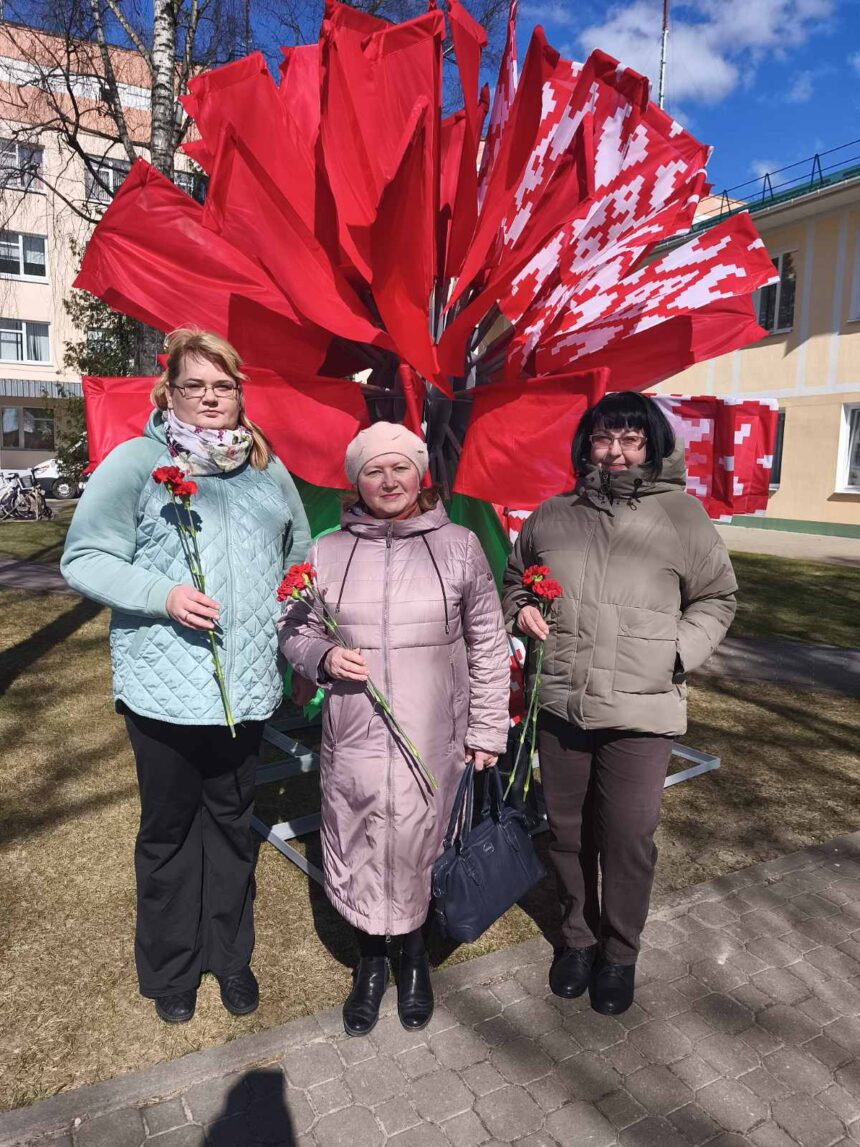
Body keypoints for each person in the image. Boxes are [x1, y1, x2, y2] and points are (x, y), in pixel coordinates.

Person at [61, 328, 310, 1024]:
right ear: (168, 390)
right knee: (169, 832)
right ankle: (170, 968)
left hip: (247, 692)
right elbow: (83, 557)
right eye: (194, 384)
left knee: (232, 828)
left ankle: (229, 959)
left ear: (239, 393)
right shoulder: (137, 463)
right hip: (163, 693)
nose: (209, 397)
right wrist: (161, 594)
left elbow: (302, 554)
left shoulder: (265, 472)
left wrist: (292, 637)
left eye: (222, 385)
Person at [502, 392, 737, 1016]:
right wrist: (521, 609)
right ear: (586, 445)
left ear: (653, 447)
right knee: (567, 833)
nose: (617, 450)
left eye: (632, 439)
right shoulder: (552, 515)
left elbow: (717, 599)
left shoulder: (683, 517)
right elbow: (515, 578)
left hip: (642, 707)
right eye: (606, 437)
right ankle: (577, 939)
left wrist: (676, 654)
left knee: (628, 835)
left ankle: (620, 951)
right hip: (562, 705)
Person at [279, 422, 510, 1036]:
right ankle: (370, 964)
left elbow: (488, 643)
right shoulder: (327, 549)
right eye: (374, 470)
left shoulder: (458, 545)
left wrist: (487, 728)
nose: (388, 481)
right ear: (357, 480)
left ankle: (413, 964)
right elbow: (295, 630)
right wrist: (323, 658)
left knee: (418, 846)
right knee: (357, 841)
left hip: (432, 737)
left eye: (400, 468)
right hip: (353, 734)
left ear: (419, 474)